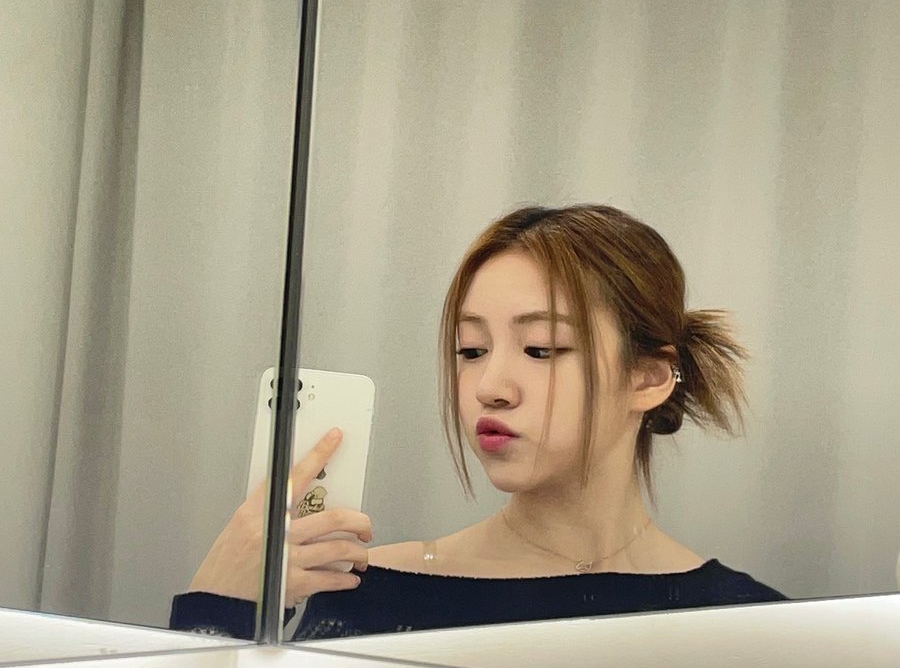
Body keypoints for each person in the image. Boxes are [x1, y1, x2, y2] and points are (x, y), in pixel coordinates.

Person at [170, 204, 786, 640]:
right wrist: (220, 604)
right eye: (471, 351)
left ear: (647, 377)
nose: (489, 387)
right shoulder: (371, 596)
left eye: (541, 349)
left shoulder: (750, 625)